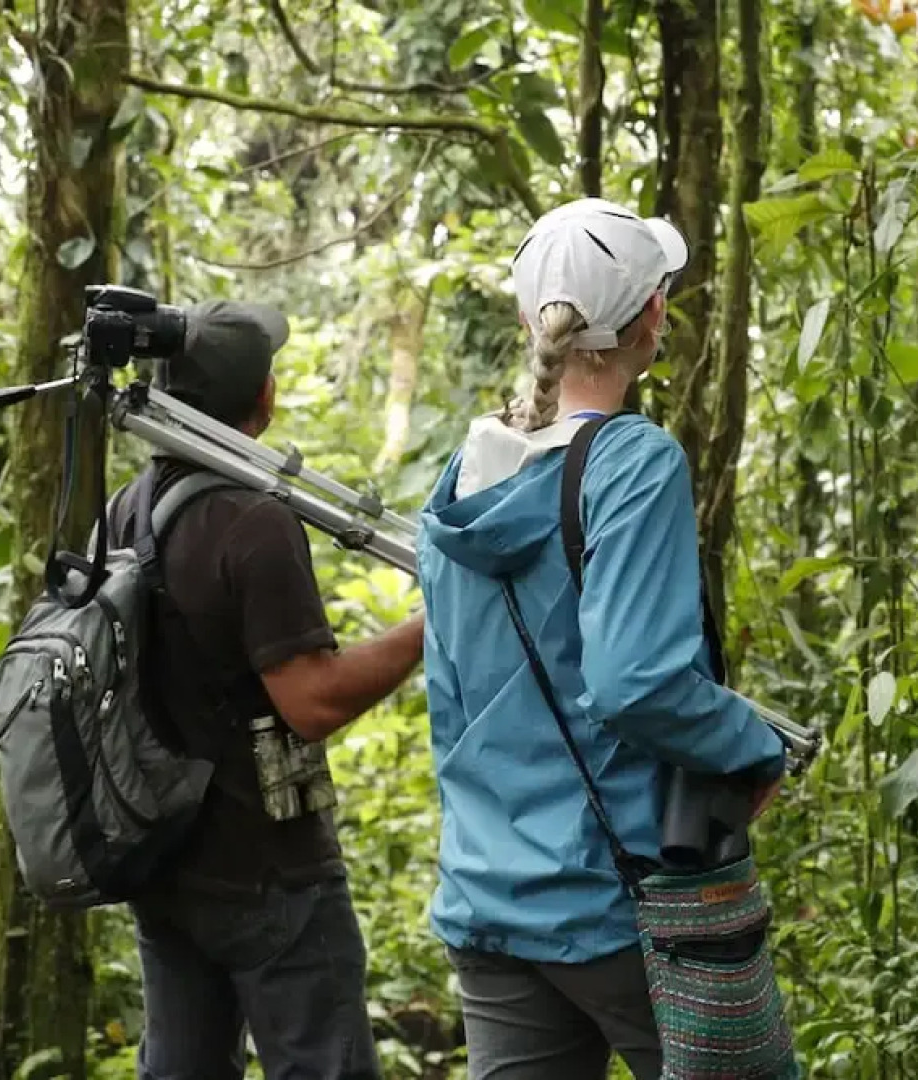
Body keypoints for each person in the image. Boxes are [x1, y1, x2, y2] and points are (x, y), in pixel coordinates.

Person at [415, 197, 788, 1078]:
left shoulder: (462, 479)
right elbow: (634, 684)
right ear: (651, 316)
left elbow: (449, 701)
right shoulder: (632, 463)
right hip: (620, 902)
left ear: (526, 318)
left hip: (487, 897)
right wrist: (753, 748)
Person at [107, 299, 425, 1080]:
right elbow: (312, 701)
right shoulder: (253, 521)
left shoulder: (129, 510)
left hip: (167, 860)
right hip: (269, 871)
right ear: (265, 396)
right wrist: (431, 626)